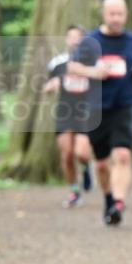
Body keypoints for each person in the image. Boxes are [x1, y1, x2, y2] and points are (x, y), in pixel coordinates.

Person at [67, 0, 132, 227]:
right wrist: (94, 72)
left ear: (125, 15)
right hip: (96, 107)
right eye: (112, 14)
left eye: (120, 14)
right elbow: (73, 66)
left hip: (124, 104)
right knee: (102, 164)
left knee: (123, 155)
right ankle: (108, 198)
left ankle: (119, 203)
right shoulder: (90, 41)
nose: (116, 18)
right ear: (104, 14)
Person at [43, 25, 94, 208]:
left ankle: (87, 168)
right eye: (71, 37)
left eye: (78, 37)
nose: (74, 40)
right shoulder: (57, 63)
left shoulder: (91, 62)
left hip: (85, 113)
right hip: (65, 113)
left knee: (81, 153)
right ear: (66, 40)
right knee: (66, 154)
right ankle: (74, 192)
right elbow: (48, 84)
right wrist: (51, 86)